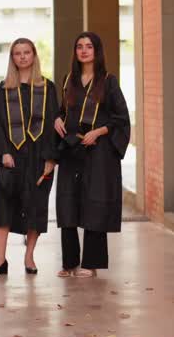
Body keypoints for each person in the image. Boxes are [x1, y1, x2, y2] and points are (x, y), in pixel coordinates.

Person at [0, 38, 60, 277]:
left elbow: (52, 124)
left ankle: (29, 256)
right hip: (11, 157)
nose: (22, 57)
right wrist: (3, 151)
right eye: (17, 53)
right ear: (12, 58)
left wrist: (50, 158)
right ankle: (0, 258)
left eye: (26, 52)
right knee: (4, 205)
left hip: (38, 157)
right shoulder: (5, 89)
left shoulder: (48, 88)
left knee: (35, 207)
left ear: (34, 56)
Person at [54, 32, 131, 278]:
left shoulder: (108, 81)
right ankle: (69, 263)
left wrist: (98, 132)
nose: (84, 51)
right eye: (79, 47)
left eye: (89, 46)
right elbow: (63, 111)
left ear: (96, 51)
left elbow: (121, 119)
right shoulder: (68, 80)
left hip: (98, 152)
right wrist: (57, 118)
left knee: (93, 204)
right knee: (67, 202)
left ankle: (91, 263)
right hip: (71, 149)